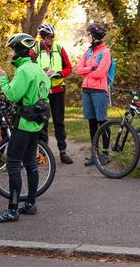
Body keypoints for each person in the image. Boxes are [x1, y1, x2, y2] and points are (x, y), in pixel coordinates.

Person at [0, 33, 51, 222]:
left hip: (24, 123)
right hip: (36, 123)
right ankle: (31, 204)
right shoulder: (38, 69)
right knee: (31, 164)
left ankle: (12, 210)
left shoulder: (24, 70)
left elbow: (12, 95)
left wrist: (1, 78)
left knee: (13, 164)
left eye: (11, 51)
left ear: (18, 52)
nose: (10, 55)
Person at [73, 23, 112, 167]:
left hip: (99, 91)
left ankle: (105, 154)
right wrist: (91, 67)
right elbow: (77, 69)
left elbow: (101, 73)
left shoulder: (105, 52)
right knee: (91, 122)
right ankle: (94, 154)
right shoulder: (88, 52)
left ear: (94, 36)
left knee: (102, 122)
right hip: (86, 90)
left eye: (89, 34)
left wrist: (87, 71)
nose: (88, 36)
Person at [35, 23, 73, 164]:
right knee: (42, 122)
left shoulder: (59, 48)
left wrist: (58, 73)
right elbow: (27, 66)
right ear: (43, 38)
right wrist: (41, 73)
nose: (52, 39)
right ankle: (42, 154)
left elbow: (69, 68)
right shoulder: (35, 50)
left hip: (58, 91)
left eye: (53, 36)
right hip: (41, 92)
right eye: (50, 37)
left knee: (59, 122)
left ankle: (63, 152)